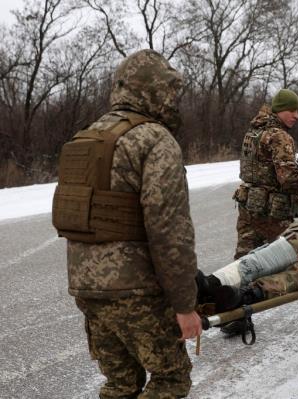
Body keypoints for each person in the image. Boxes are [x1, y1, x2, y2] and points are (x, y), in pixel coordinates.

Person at [52, 50, 201, 398]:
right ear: (154, 90)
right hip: (134, 291)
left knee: (121, 384)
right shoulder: (155, 140)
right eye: (170, 91)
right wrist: (184, 305)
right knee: (171, 380)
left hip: (86, 288)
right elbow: (169, 231)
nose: (174, 100)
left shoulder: (86, 136)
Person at [229, 88, 298, 322]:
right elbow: (289, 177)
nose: (296, 116)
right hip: (274, 213)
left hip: (249, 206)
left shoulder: (253, 132)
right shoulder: (278, 135)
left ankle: (234, 318)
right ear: (279, 110)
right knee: (293, 254)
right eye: (291, 110)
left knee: (242, 262)